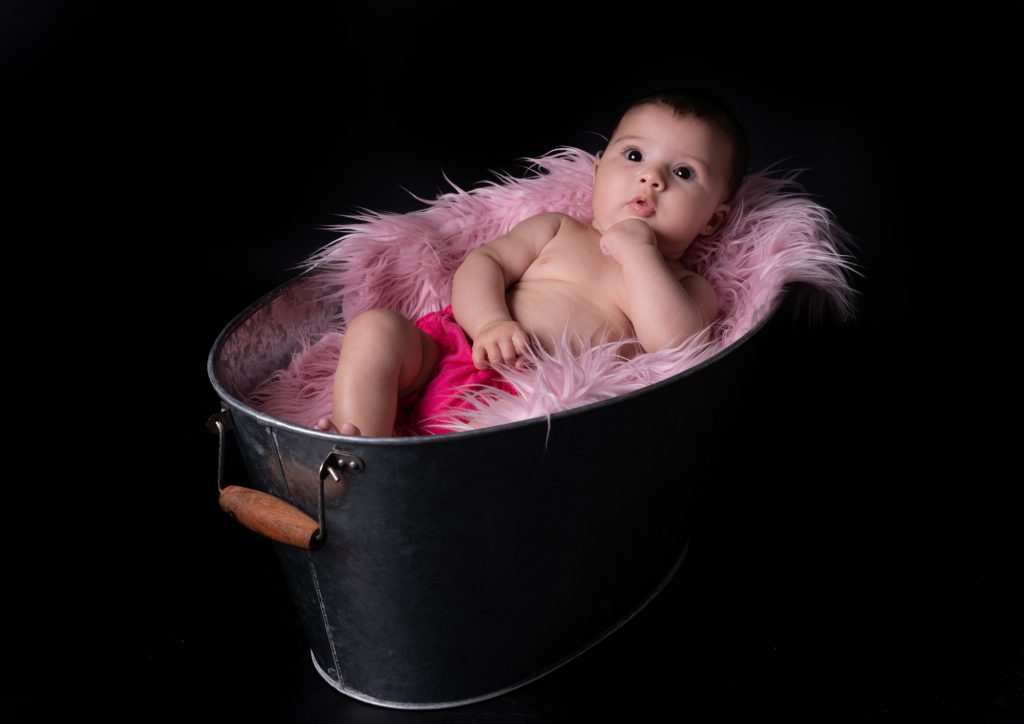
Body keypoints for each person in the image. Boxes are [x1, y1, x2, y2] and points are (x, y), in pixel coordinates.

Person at [314, 87, 749, 436]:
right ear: (597, 174)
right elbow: (484, 264)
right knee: (376, 328)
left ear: (712, 219)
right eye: (634, 155)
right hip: (461, 351)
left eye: (684, 173)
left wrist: (639, 252)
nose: (651, 177)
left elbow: (674, 346)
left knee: (519, 456)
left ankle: (420, 467)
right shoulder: (559, 229)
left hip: (535, 407)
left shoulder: (687, 288)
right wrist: (489, 323)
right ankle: (361, 448)